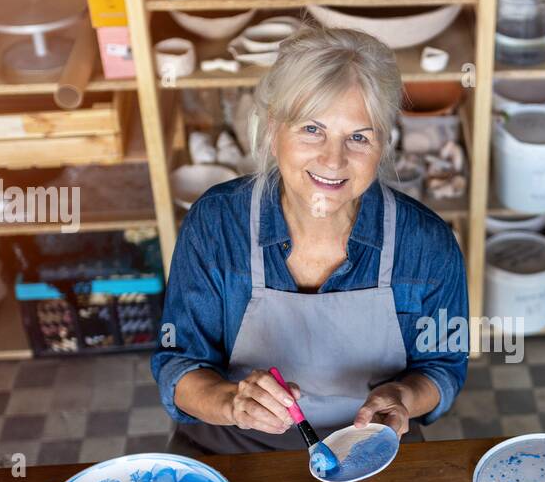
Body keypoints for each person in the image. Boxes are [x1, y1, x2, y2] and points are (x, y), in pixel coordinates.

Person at [152, 25, 468, 455]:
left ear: (384, 144)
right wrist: (231, 403)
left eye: (359, 136)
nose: (333, 160)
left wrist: (404, 399)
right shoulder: (216, 223)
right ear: (272, 129)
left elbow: (443, 367)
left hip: (371, 448)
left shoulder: (427, 243)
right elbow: (178, 362)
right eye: (311, 129)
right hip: (228, 449)